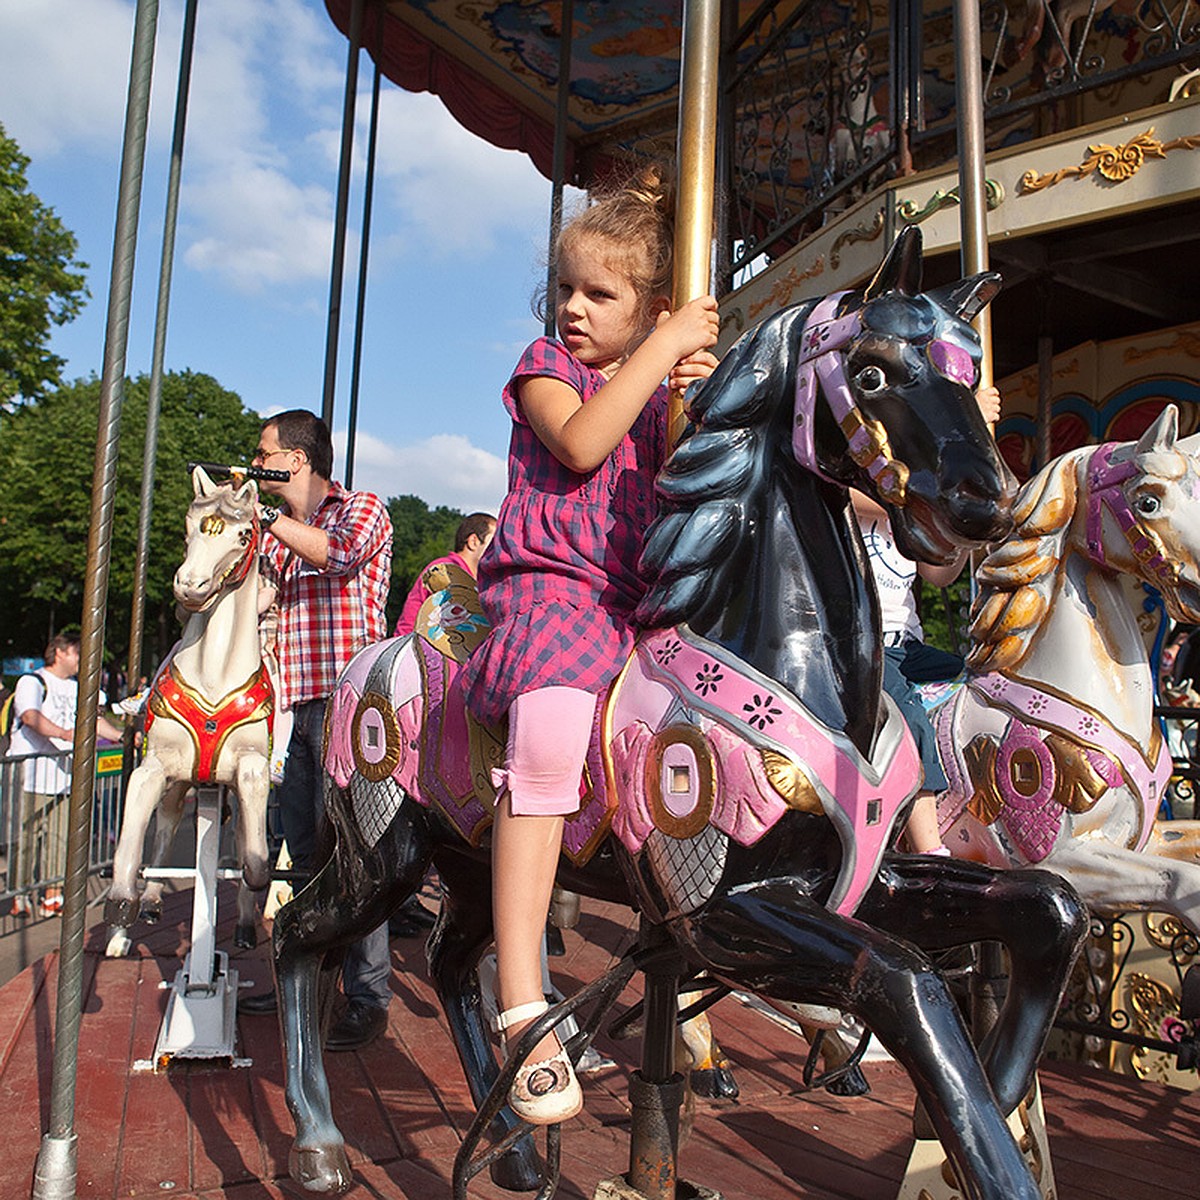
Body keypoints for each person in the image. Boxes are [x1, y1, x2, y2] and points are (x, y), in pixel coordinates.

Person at [461, 168, 720, 1123]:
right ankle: (523, 1001)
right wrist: (660, 351)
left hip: (636, 605)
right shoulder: (548, 368)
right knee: (557, 726)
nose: (572, 307)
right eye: (566, 287)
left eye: (598, 294)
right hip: (550, 592)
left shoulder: (663, 389)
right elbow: (577, 445)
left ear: (647, 304)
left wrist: (703, 385)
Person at [237, 409, 395, 1052]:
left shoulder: (362, 508)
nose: (255, 460)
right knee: (304, 855)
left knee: (357, 853)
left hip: (351, 706)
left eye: (263, 452)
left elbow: (339, 555)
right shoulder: (278, 535)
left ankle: (368, 992)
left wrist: (266, 516)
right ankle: (306, 979)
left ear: (296, 460)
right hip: (296, 705)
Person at [850, 384, 1003, 854]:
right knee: (907, 714)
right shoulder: (855, 486)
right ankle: (929, 851)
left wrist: (960, 536)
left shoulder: (913, 503)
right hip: (861, 643)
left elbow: (938, 574)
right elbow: (874, 496)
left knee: (984, 686)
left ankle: (978, 813)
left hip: (907, 642)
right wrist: (967, 430)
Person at [9, 633, 123, 916]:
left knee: (60, 837)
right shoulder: (33, 682)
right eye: (77, 653)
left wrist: (122, 736)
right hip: (33, 773)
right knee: (26, 837)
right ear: (59, 652)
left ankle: (53, 894)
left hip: (65, 776)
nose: (81, 660)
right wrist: (65, 734)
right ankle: (20, 893)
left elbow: (95, 722)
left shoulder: (80, 688)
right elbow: (30, 716)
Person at [392, 512, 496, 638]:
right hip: (418, 649)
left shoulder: (478, 580)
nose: (498, 549)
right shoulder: (445, 571)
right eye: (494, 541)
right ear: (473, 541)